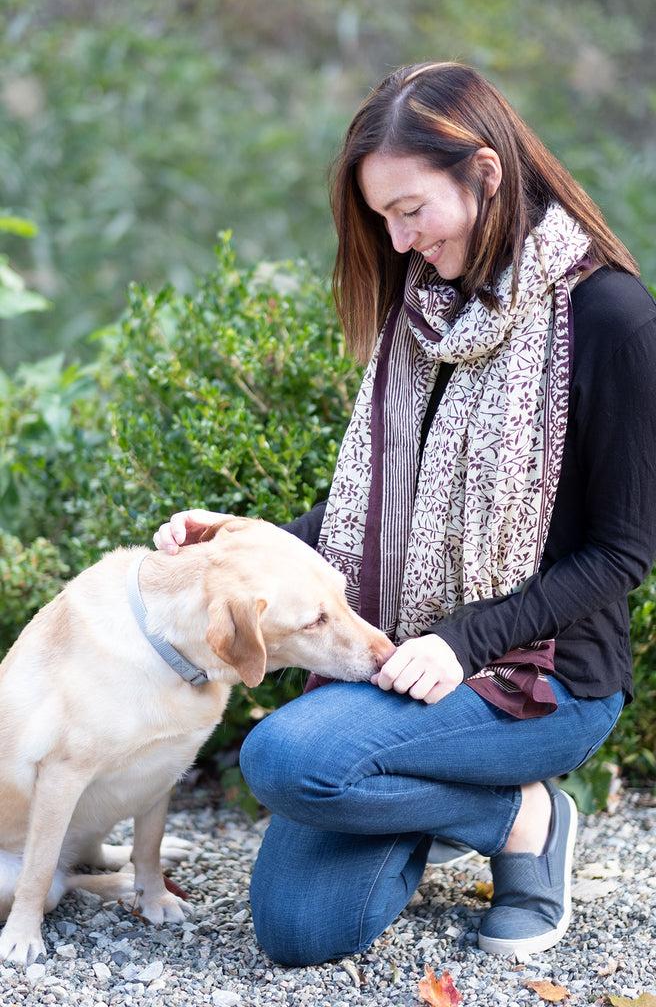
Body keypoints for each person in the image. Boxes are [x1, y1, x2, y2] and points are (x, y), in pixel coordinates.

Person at [153, 62, 656, 965]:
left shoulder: (611, 318)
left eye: (411, 209)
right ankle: (499, 811)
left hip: (546, 678)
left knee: (284, 759)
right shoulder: (426, 317)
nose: (398, 239)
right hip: (396, 659)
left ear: (485, 173)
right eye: (382, 218)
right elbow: (375, 510)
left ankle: (514, 804)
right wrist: (241, 537)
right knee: (304, 930)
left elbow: (624, 552)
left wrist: (465, 641)